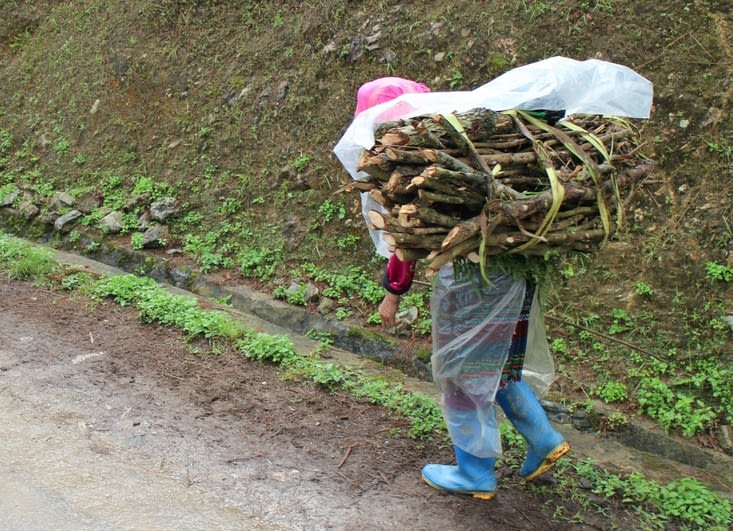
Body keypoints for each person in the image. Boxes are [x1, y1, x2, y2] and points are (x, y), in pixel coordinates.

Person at [353, 77, 570, 500]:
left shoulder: (415, 155)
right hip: (514, 269)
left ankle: (475, 472)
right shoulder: (464, 134)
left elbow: (408, 237)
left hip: (474, 278)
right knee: (497, 366)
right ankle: (543, 439)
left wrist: (392, 293)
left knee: (462, 372)